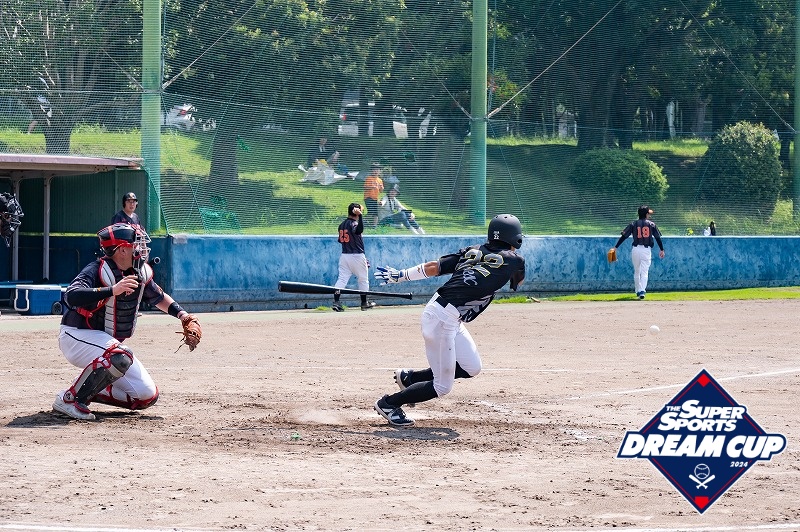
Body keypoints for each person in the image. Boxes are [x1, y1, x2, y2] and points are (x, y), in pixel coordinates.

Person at [372, 214, 526, 426]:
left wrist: (401, 275)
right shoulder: (516, 260)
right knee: (442, 386)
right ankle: (389, 404)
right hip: (443, 319)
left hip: (445, 314)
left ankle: (409, 378)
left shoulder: (473, 250)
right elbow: (517, 283)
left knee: (472, 367)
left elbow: (435, 267)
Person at [52, 223, 201, 421]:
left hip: (103, 344)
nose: (141, 248)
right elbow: (71, 295)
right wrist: (112, 290)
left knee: (146, 395)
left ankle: (90, 387)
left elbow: (157, 296)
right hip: (76, 336)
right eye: (136, 244)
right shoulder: (98, 269)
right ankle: (69, 399)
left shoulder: (139, 271)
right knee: (120, 355)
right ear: (122, 249)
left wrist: (184, 316)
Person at [610, 205, 665, 300]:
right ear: (646, 214)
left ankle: (637, 290)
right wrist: (662, 249)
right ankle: (642, 290)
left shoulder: (633, 224)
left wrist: (616, 247)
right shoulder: (651, 224)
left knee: (637, 271)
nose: (649, 215)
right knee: (644, 271)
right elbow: (657, 237)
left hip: (635, 249)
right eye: (648, 213)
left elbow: (624, 236)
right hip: (646, 250)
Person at [332, 203, 376, 312]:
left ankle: (336, 302)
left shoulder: (342, 225)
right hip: (357, 255)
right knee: (363, 279)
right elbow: (359, 230)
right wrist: (360, 216)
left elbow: (342, 240)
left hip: (344, 256)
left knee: (342, 279)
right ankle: (364, 303)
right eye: (360, 211)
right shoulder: (354, 223)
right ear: (355, 212)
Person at [363, 163, 384, 227]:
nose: (376, 171)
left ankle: (374, 226)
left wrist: (381, 188)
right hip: (368, 197)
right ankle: (362, 220)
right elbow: (365, 187)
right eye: (374, 170)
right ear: (371, 171)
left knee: (376, 212)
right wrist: (372, 187)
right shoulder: (369, 178)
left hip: (375, 198)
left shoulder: (380, 180)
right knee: (371, 211)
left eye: (377, 170)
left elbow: (381, 191)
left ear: (380, 171)